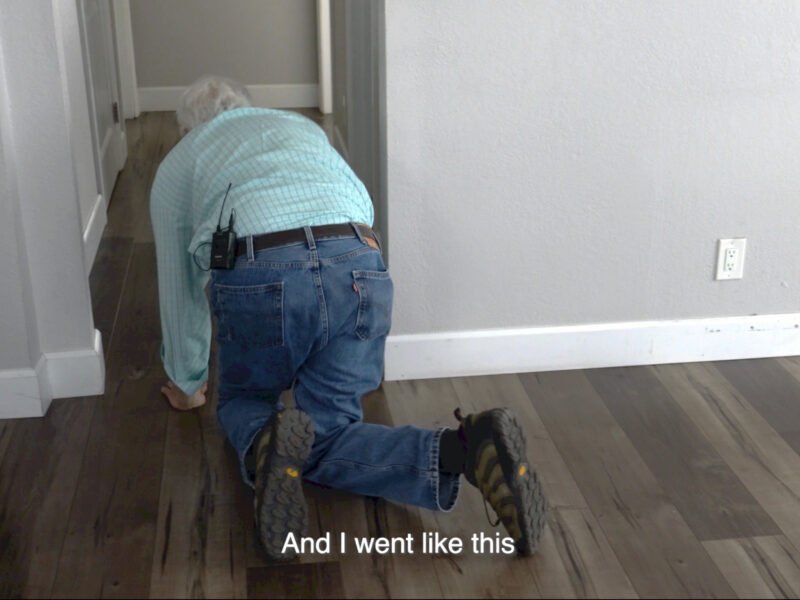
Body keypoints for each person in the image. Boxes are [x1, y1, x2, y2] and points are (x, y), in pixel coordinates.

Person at [151, 75, 547, 561]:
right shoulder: (299, 128)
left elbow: (178, 283)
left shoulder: (180, 163)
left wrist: (187, 381)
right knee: (328, 430)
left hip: (261, 267)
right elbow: (359, 200)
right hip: (358, 261)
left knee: (244, 400)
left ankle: (264, 443)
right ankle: (464, 450)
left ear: (189, 129)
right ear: (247, 106)